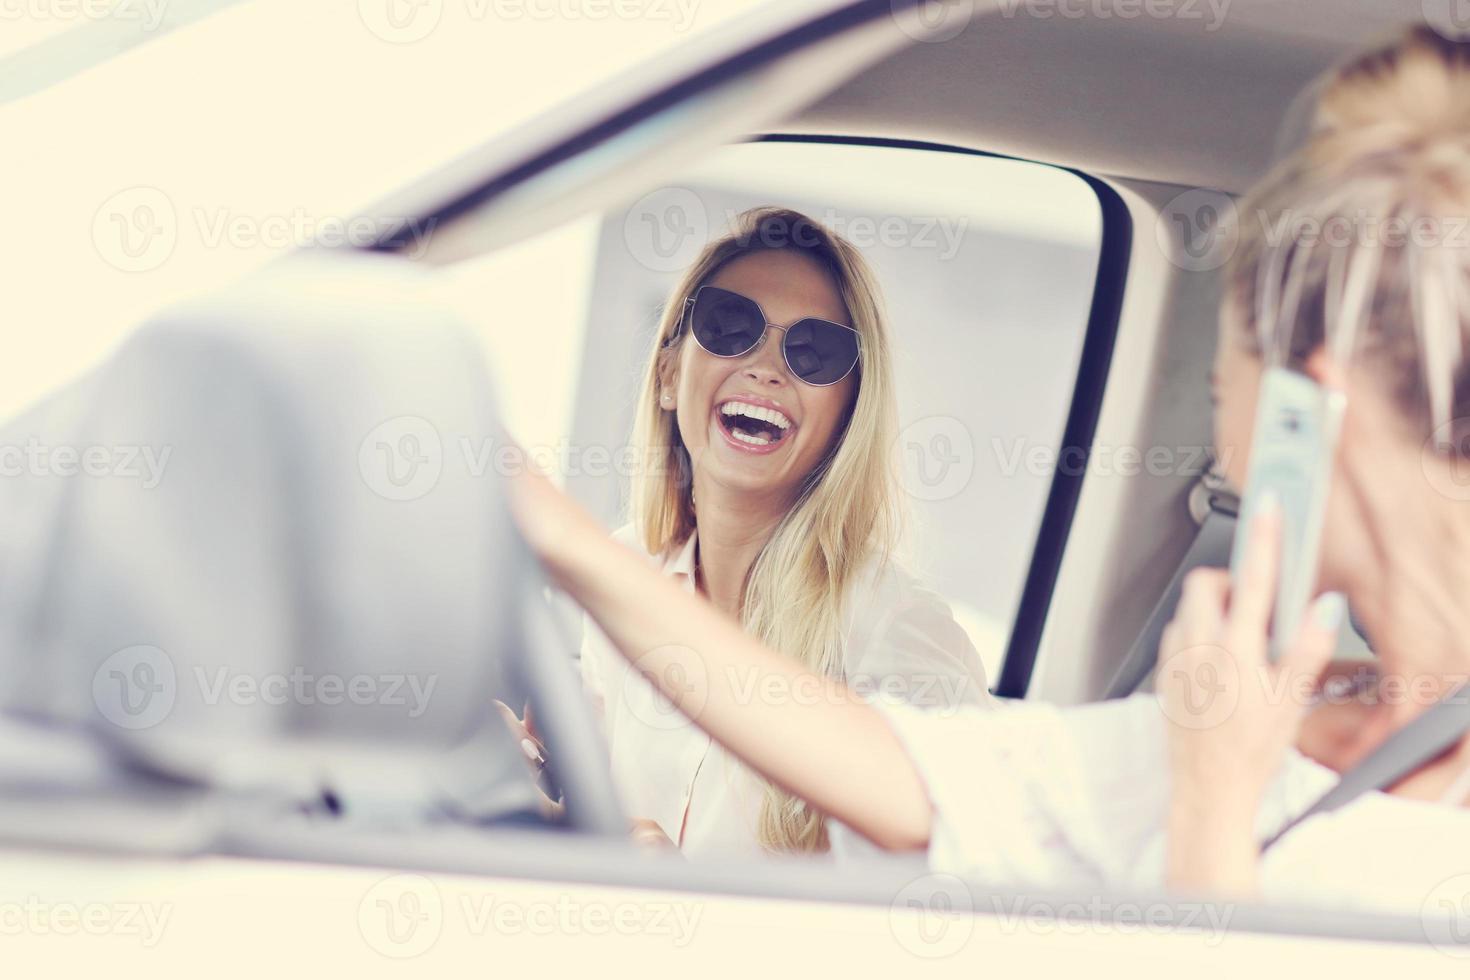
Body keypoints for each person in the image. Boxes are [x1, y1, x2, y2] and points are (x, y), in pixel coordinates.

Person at [508, 28, 1470, 913]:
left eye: (1227, 400)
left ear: (1314, 414)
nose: (1225, 458)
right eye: (728, 328)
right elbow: (907, 779)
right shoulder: (1229, 709)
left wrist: (1216, 815)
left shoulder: (1222, 745)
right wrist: (564, 543)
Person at [562, 207, 991, 858]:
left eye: (815, 352)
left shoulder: (895, 633)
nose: (765, 368)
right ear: (669, 374)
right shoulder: (624, 575)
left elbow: (946, 900)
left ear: (850, 412)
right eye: (729, 327)